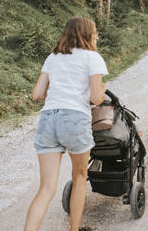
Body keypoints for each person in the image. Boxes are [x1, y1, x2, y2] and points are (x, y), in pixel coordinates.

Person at [24, 17, 107, 231]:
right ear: (87, 34)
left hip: (48, 118)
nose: (97, 35)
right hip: (75, 119)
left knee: (46, 189)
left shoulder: (53, 57)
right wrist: (101, 91)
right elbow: (97, 98)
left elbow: (37, 94)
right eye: (95, 32)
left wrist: (58, 94)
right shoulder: (92, 57)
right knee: (79, 176)